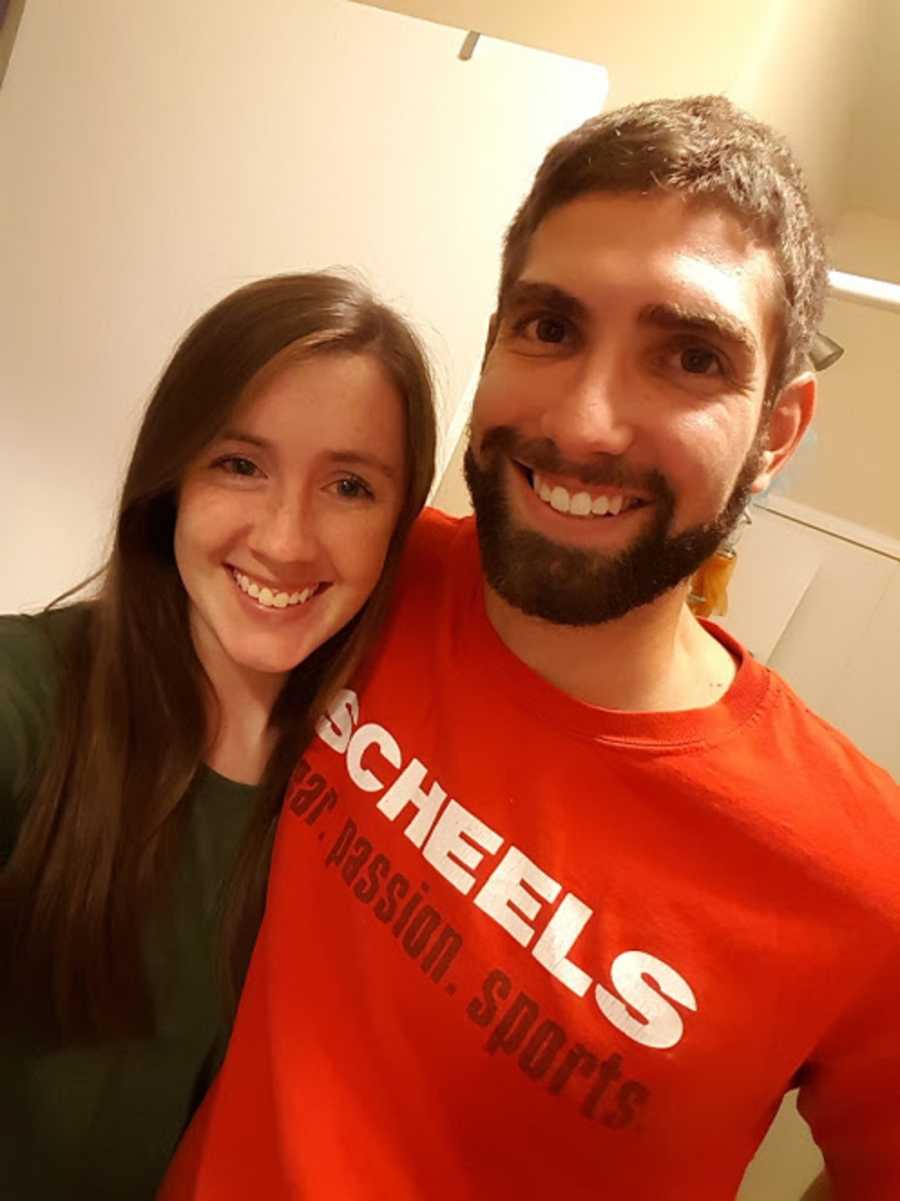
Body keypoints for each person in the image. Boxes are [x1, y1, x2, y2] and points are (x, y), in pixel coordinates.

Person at [160, 98, 900, 1201]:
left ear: (777, 433)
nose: (587, 423)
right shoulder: (368, 576)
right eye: (549, 328)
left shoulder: (861, 882)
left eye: (690, 356)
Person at [0, 271, 436, 1200]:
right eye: (240, 464)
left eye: (350, 486)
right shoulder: (31, 693)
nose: (284, 539)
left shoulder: (382, 803)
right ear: (174, 480)